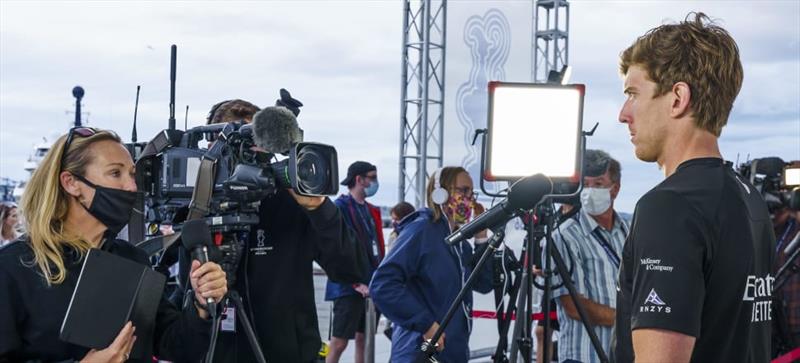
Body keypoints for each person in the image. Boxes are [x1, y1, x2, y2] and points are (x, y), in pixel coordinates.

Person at [613, 12, 774, 362]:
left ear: (677, 98)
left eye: (633, 94)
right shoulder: (749, 199)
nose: (623, 113)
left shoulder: (670, 206)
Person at [0, 127, 228, 362]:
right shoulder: (13, 267)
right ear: (71, 183)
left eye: (131, 174)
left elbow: (175, 345)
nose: (131, 187)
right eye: (115, 173)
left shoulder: (133, 260)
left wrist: (202, 306)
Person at [199, 101, 366, 363]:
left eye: (253, 142)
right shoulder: (197, 208)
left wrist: (319, 209)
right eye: (234, 143)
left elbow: (351, 268)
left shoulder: (293, 202)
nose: (246, 154)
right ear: (212, 147)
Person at [370, 166, 493, 363]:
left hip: (452, 352)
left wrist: (481, 239)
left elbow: (485, 284)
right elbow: (382, 285)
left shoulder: (460, 243)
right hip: (417, 351)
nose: (470, 199)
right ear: (440, 194)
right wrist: (426, 324)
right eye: (463, 191)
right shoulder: (421, 231)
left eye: (472, 192)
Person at [545, 149, 630, 363]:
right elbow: (574, 306)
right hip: (583, 356)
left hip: (624, 354)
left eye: (599, 184)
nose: (590, 191)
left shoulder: (631, 231)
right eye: (586, 184)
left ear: (615, 189)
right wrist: (631, 321)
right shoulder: (563, 237)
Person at [325, 161, 385, 363]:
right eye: (372, 177)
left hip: (371, 284)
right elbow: (333, 249)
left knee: (365, 339)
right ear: (359, 179)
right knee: (339, 342)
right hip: (348, 287)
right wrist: (354, 283)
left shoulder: (370, 210)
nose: (376, 182)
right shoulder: (340, 208)